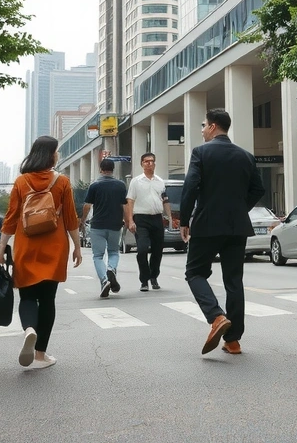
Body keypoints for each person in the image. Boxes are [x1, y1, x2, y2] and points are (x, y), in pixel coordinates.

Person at [180, 108, 265, 356]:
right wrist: (240, 208)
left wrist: (184, 220)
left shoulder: (200, 153)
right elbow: (258, 189)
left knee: (194, 272)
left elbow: (190, 188)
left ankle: (216, 317)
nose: (203, 130)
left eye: (204, 125)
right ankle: (233, 341)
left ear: (214, 126)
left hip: (207, 224)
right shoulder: (246, 156)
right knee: (233, 281)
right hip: (237, 226)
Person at [0, 136, 81, 369]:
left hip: (26, 246)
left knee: (28, 297)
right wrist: (77, 247)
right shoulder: (62, 182)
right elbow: (71, 219)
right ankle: (40, 355)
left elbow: (10, 219)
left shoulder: (21, 182)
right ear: (51, 154)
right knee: (48, 300)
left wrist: (1, 250)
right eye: (57, 151)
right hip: (55, 247)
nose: (58, 155)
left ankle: (29, 329)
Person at [125, 152, 172, 292]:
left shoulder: (160, 181)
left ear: (155, 163)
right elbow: (130, 201)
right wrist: (130, 220)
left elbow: (165, 200)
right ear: (142, 164)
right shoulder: (136, 181)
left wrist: (169, 217)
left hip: (157, 218)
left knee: (158, 250)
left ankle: (154, 277)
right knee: (142, 249)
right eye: (146, 161)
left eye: (152, 161)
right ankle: (144, 280)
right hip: (141, 219)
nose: (149, 164)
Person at [82, 157, 127, 298]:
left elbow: (87, 205)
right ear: (113, 169)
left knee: (98, 255)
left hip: (98, 226)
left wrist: (82, 220)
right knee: (114, 252)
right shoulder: (120, 185)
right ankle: (111, 269)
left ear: (101, 169)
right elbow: (124, 205)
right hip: (115, 225)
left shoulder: (95, 185)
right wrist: (127, 220)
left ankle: (104, 280)